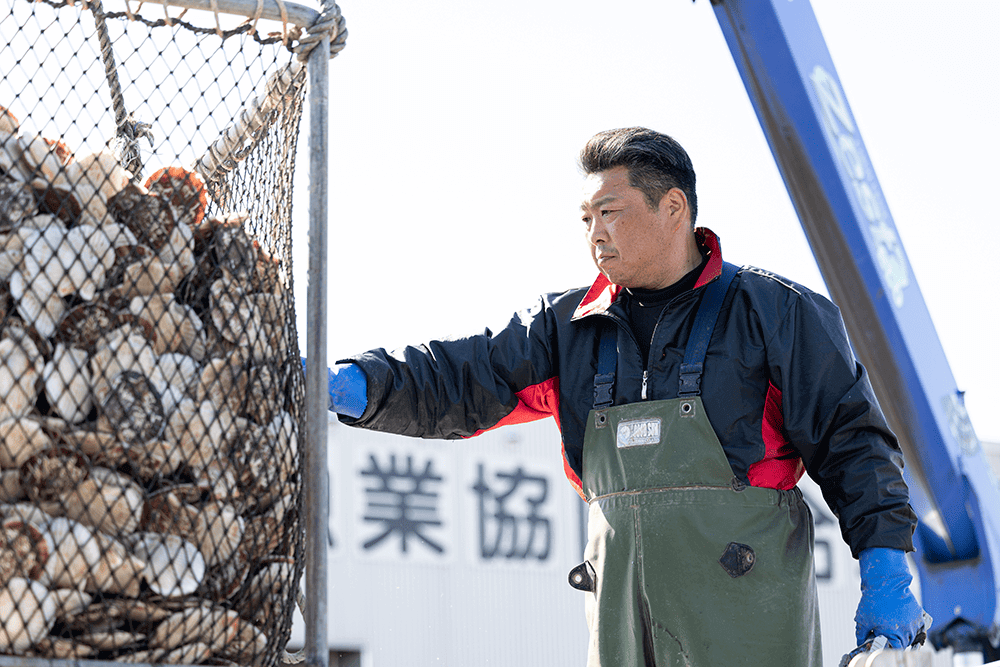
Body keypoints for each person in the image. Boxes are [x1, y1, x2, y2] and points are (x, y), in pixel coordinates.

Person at [320, 127, 925, 666]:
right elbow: (458, 378)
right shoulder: (565, 327)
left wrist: (885, 568)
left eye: (610, 211)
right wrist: (356, 385)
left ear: (673, 207)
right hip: (618, 624)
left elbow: (853, 445)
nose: (595, 233)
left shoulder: (775, 314)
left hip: (745, 621)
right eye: (586, 218)